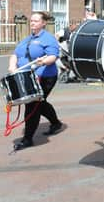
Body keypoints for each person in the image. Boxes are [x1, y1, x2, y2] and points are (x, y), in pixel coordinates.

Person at [8, 11, 64, 150]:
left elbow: (53, 56)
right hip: (27, 76)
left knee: (33, 105)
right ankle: (56, 123)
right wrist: (12, 66)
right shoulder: (27, 39)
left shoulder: (48, 38)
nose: (32, 23)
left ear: (43, 23)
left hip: (45, 77)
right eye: (31, 20)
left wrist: (43, 62)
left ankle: (28, 139)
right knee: (40, 102)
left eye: (36, 21)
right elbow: (15, 54)